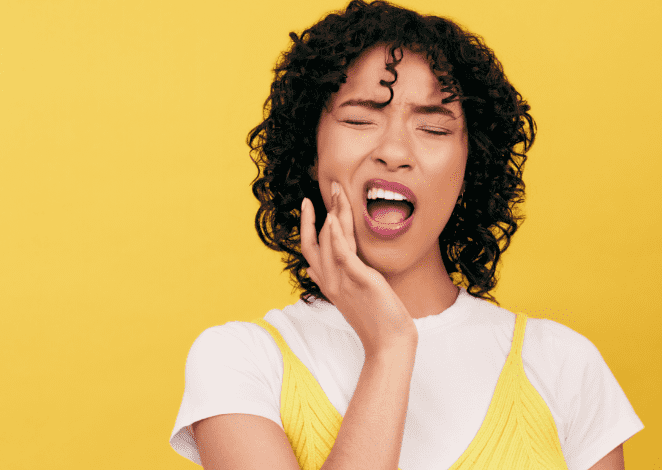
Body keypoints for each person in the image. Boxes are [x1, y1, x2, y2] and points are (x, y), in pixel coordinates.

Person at [169, 1, 643, 469]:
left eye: (433, 128)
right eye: (359, 119)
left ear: (468, 167)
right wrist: (389, 348)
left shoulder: (564, 365)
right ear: (311, 152)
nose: (395, 151)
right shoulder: (240, 361)